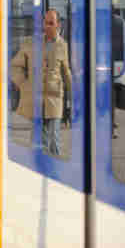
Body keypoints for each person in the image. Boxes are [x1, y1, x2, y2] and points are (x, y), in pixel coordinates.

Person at [11, 9, 72, 155]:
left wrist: (75, 94)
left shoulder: (63, 45)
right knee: (37, 141)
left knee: (53, 139)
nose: (48, 26)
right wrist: (23, 84)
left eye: (51, 23)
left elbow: (66, 71)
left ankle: (54, 171)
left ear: (58, 25)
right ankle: (38, 170)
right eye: (46, 23)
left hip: (55, 98)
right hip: (37, 100)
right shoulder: (33, 43)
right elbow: (14, 66)